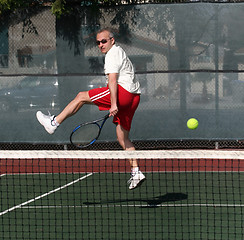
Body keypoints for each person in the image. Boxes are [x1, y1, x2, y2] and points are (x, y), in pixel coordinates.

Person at [36, 28, 145, 190]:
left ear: (112, 40)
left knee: (81, 96)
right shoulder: (119, 51)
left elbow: (113, 81)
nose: (100, 45)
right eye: (98, 42)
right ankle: (136, 171)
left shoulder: (112, 55)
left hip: (124, 93)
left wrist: (114, 103)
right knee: (122, 138)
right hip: (135, 97)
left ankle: (54, 122)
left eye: (104, 41)